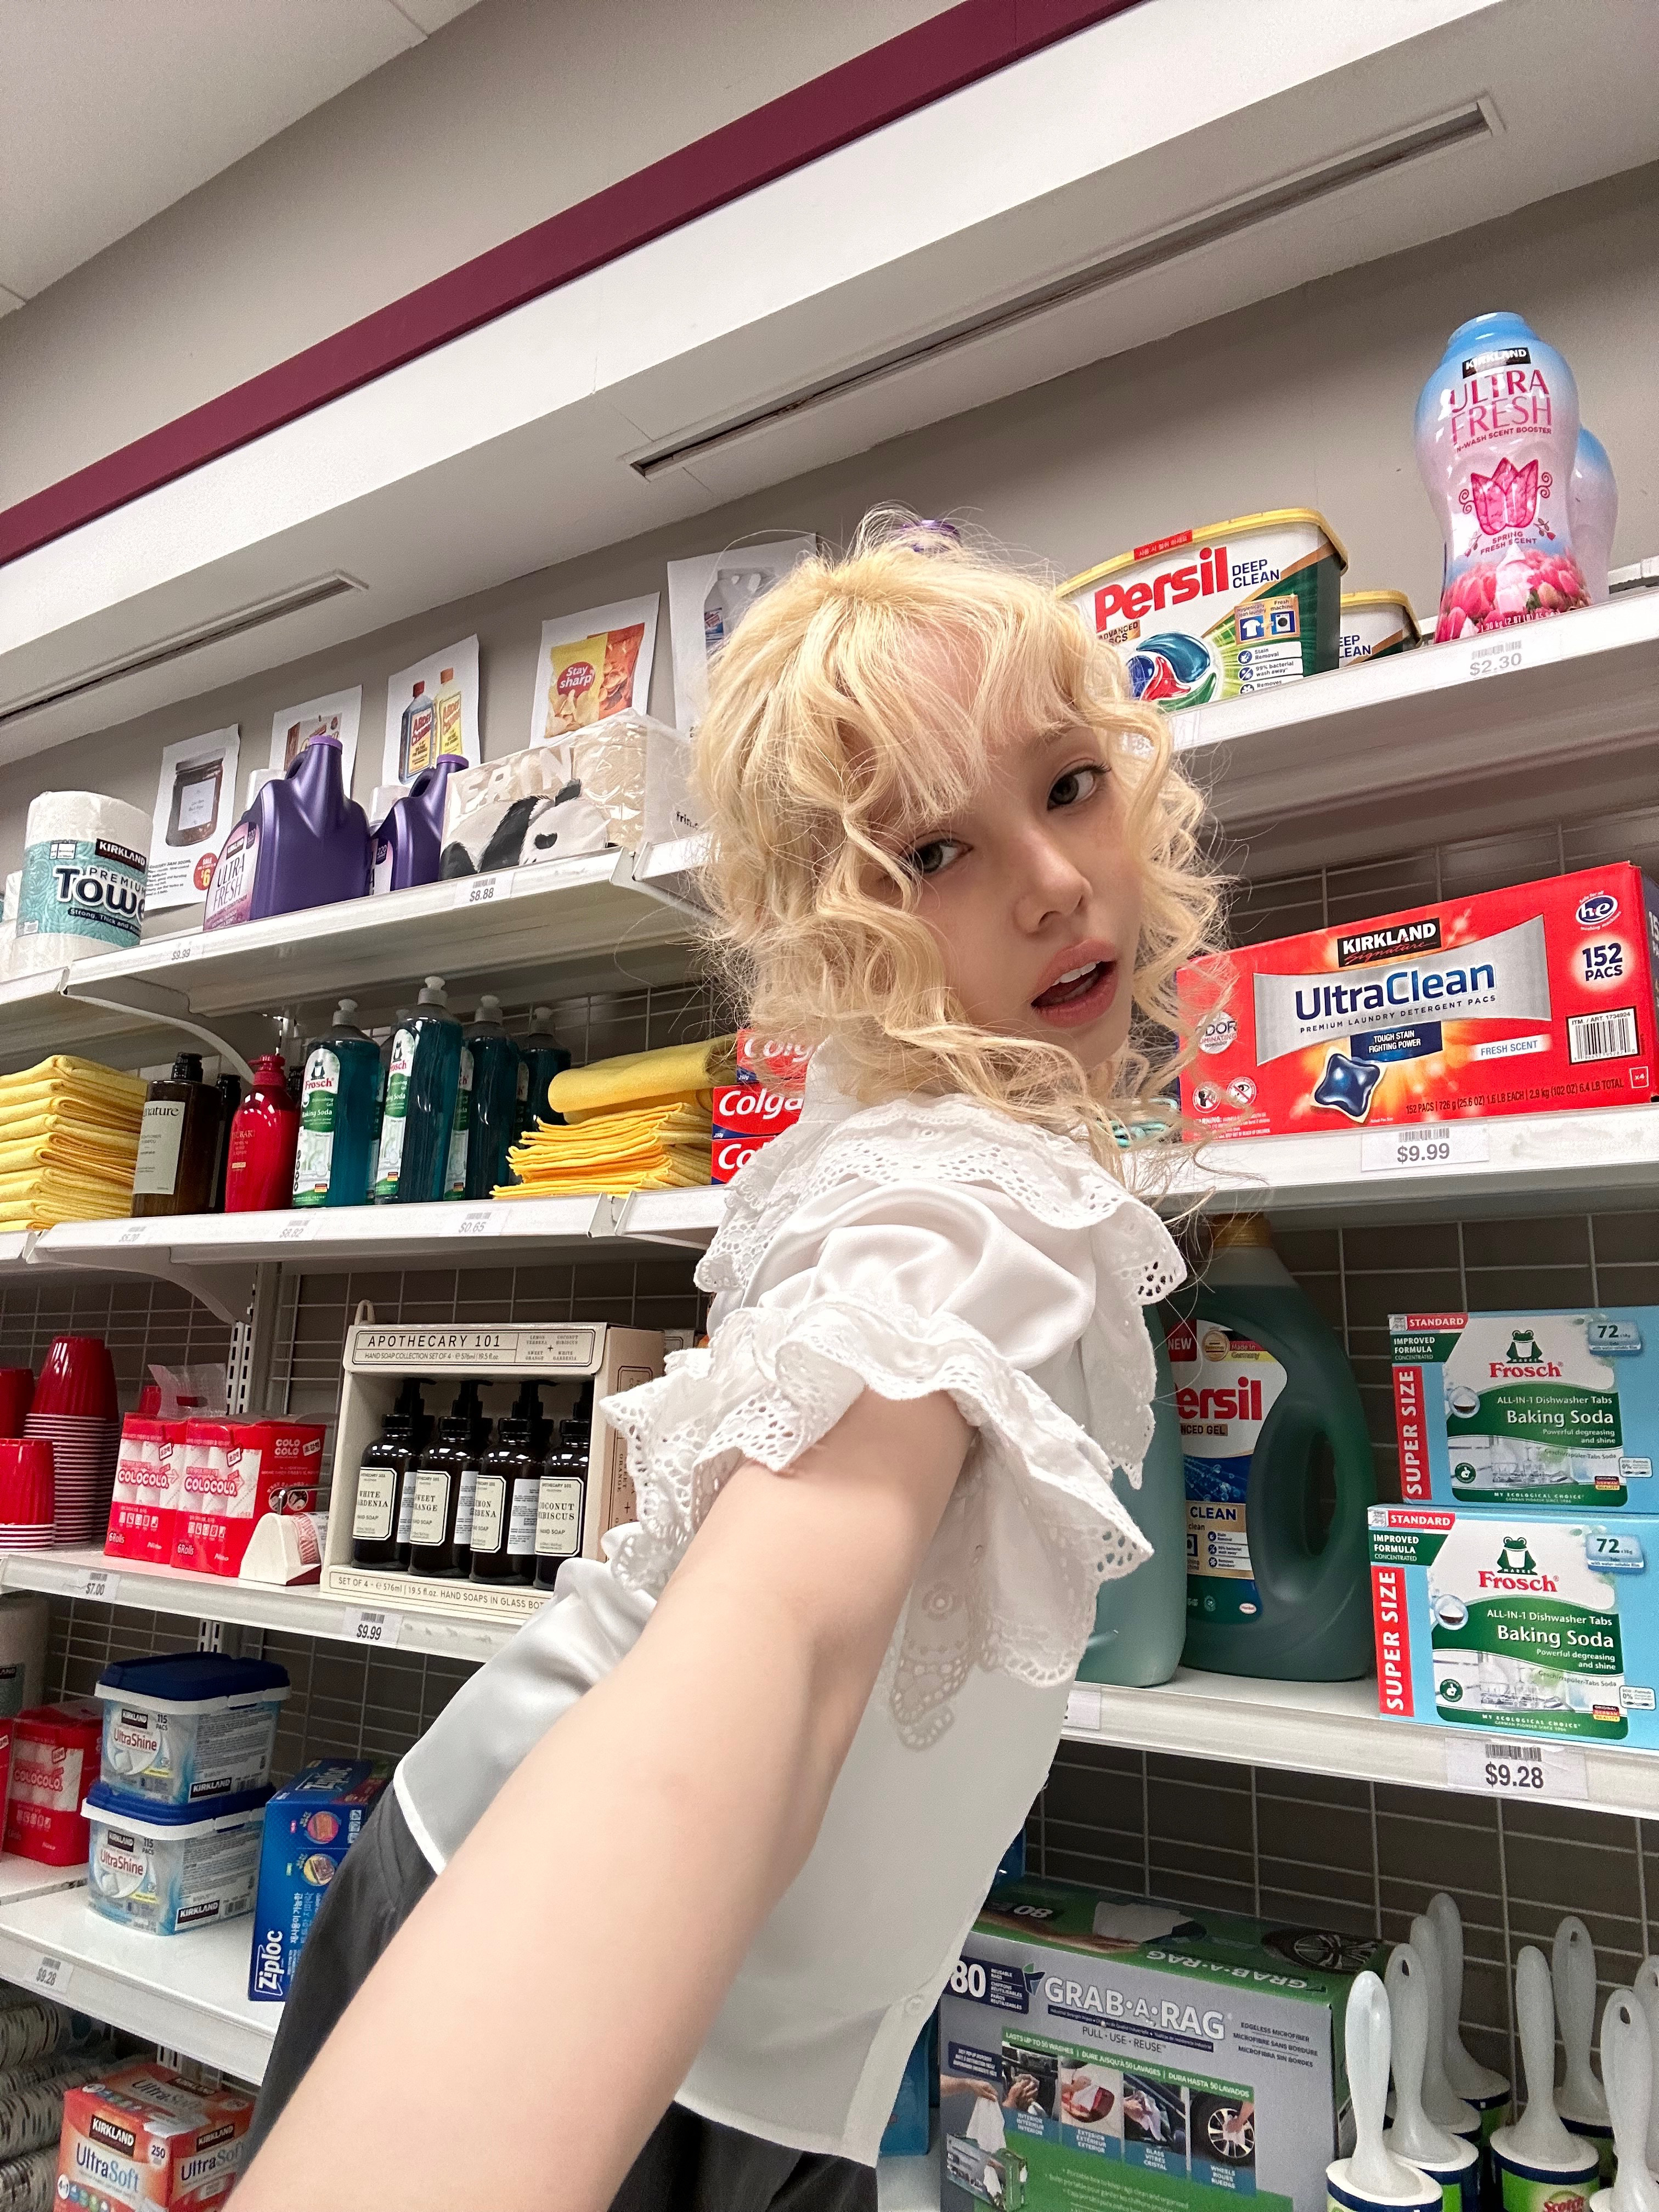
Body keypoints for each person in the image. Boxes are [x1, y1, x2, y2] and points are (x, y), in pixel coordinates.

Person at [236, 515, 1220, 2212]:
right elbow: (786, 1624)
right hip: (586, 1974)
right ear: (829, 929)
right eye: (933, 853)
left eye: (1068, 787)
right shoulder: (964, 1198)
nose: (1056, 882)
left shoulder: (901, 1116)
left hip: (694, 2000)